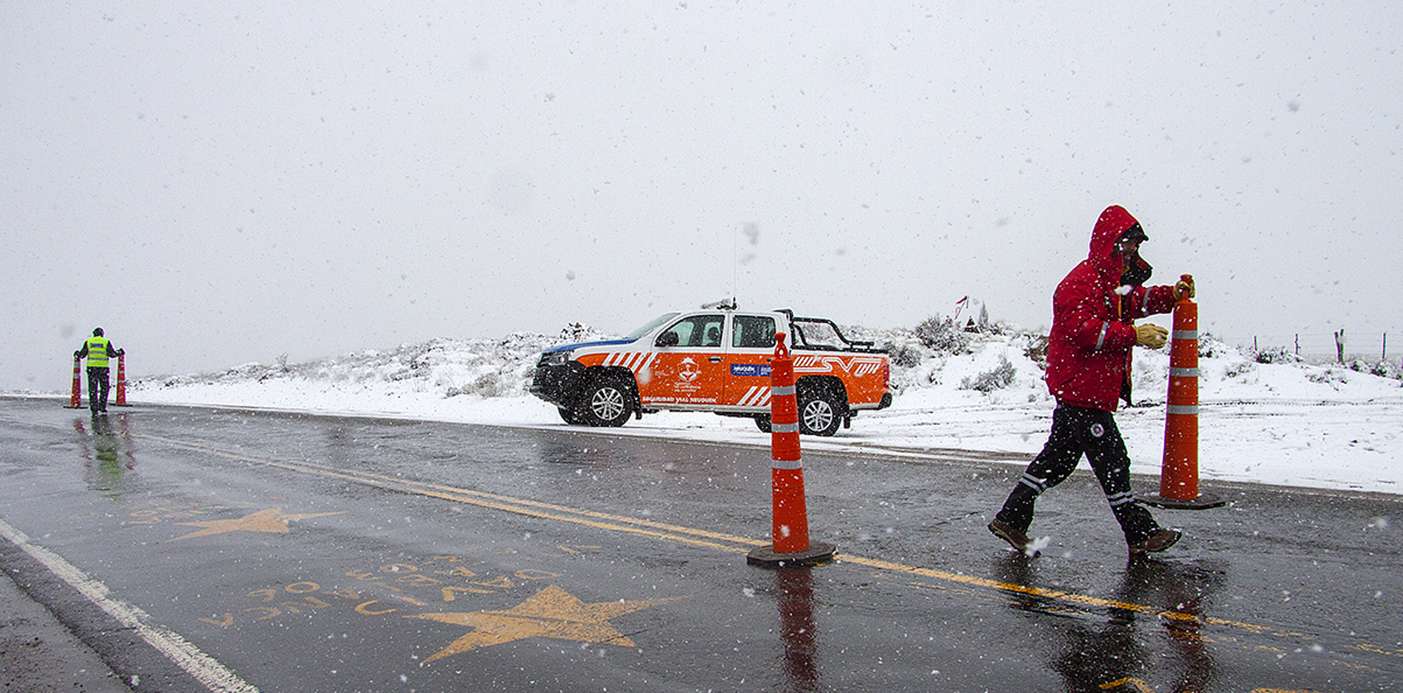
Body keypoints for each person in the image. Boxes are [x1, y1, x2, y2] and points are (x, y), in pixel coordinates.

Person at [989, 205, 1195, 557]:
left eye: (1134, 245)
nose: (1131, 251)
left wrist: (1171, 295)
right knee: (1113, 461)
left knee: (1057, 462)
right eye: (1126, 244)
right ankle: (1140, 532)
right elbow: (1084, 331)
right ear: (1109, 243)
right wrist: (1133, 334)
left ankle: (1011, 518)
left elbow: (1138, 300)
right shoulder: (1079, 283)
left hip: (1090, 391)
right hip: (1080, 390)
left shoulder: (1113, 285)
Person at [74, 327, 123, 414]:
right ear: (102, 334)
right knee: (104, 388)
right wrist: (119, 352)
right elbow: (112, 354)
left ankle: (94, 408)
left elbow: (82, 355)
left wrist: (77, 354)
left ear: (94, 334)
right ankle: (102, 406)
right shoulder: (105, 342)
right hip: (103, 368)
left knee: (93, 389)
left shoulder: (89, 342)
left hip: (92, 368)